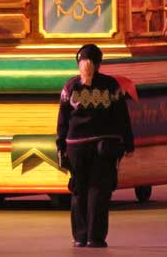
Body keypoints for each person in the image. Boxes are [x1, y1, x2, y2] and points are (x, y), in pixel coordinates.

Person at [56, 43, 135, 248]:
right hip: (104, 145)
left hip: (75, 146)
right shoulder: (111, 85)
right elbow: (122, 118)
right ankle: (95, 238)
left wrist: (60, 146)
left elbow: (62, 121)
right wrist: (128, 143)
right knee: (99, 191)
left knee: (79, 190)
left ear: (78, 63)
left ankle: (79, 237)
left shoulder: (70, 87)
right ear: (100, 63)